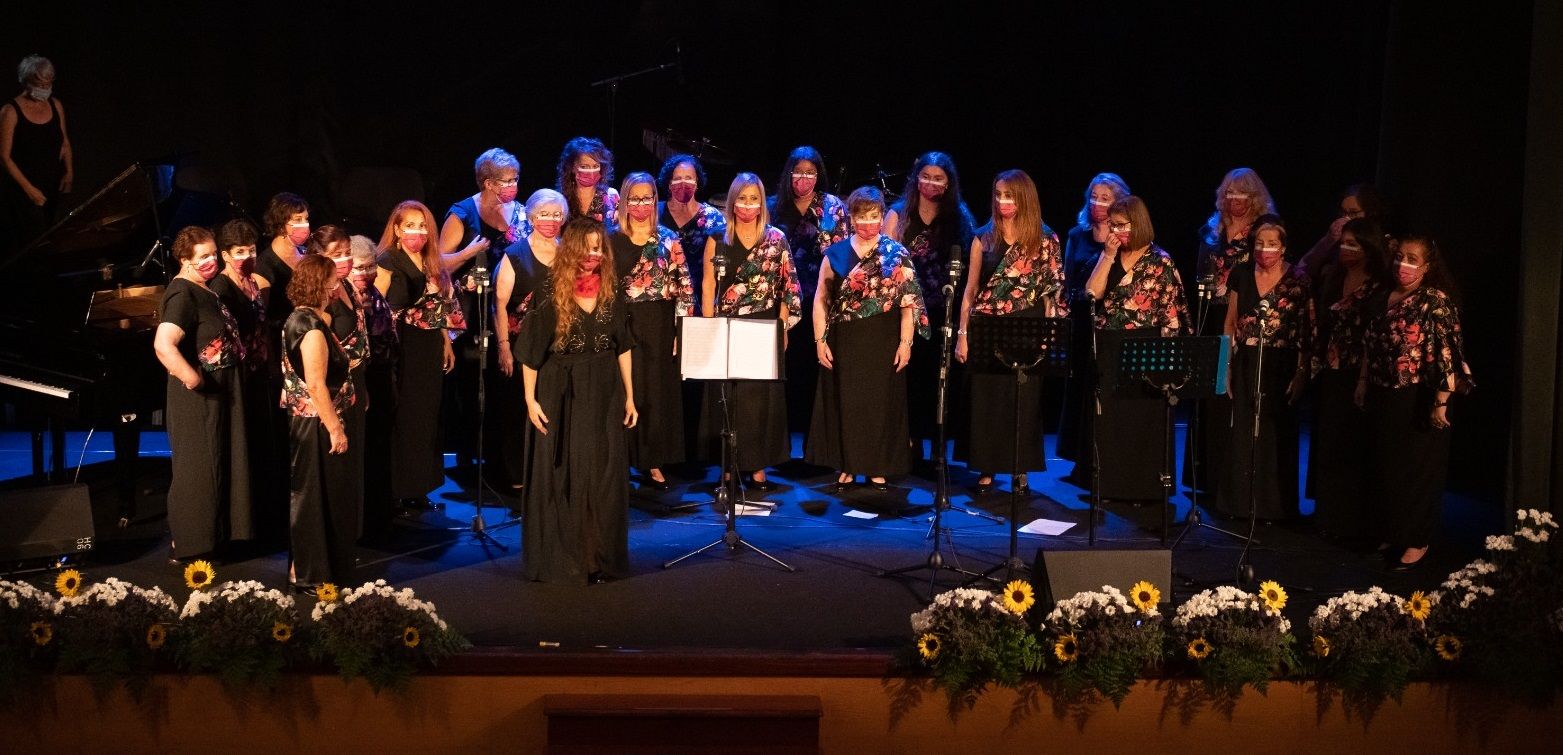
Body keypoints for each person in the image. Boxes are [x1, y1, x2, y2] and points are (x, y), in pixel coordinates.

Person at [516, 216, 637, 584]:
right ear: (571, 249)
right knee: (564, 473)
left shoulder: (611, 290)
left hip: (603, 389)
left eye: (598, 247)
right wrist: (530, 400)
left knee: (601, 474)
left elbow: (623, 346)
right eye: (585, 247)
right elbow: (530, 352)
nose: (591, 255)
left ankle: (598, 558)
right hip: (559, 390)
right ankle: (564, 560)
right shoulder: (550, 289)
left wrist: (630, 397)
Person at [1357, 236, 1473, 571]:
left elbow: (1448, 351)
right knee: (1387, 466)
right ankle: (1392, 531)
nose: (1402, 264)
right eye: (1398, 257)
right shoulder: (1384, 295)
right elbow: (1370, 344)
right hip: (1384, 391)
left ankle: (1417, 540)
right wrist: (1363, 382)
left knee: (1417, 470)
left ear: (1427, 266)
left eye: (1411, 259)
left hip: (1420, 396)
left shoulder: (1434, 300)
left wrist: (1441, 402)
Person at [806, 186, 928, 491]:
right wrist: (820, 340)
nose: (868, 223)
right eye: (861, 216)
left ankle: (877, 466)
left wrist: (906, 343)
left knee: (880, 405)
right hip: (845, 339)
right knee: (847, 403)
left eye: (874, 216)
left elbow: (908, 303)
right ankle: (848, 465)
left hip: (883, 339)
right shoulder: (834, 253)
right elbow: (821, 299)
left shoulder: (896, 254)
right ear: (851, 217)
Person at [954, 170, 1065, 494]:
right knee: (987, 400)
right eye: (999, 194)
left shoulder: (1045, 239)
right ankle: (986, 466)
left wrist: (1049, 336)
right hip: (988, 328)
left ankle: (1019, 467)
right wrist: (963, 335)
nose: (1003, 201)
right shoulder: (983, 238)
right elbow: (971, 291)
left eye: (1010, 196)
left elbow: (1052, 294)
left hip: (1027, 329)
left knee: (1022, 400)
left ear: (1025, 199)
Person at [152, 226, 251, 562]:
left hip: (219, 392)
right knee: (197, 468)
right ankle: (190, 543)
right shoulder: (182, 293)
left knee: (217, 463)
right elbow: (164, 345)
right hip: (198, 398)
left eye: (213, 254)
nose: (211, 261)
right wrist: (193, 379)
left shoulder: (202, 289)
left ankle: (214, 537)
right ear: (185, 260)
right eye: (203, 256)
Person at [700, 173, 803, 490]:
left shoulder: (776, 239)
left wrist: (782, 327)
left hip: (764, 324)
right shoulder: (718, 238)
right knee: (730, 398)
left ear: (762, 203)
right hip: (727, 326)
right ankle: (729, 467)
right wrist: (709, 327)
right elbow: (708, 287)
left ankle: (758, 466)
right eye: (742, 198)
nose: (747, 205)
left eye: (754, 199)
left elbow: (788, 287)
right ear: (732, 202)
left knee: (761, 400)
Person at [1083, 196, 1189, 501]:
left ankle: (1145, 487)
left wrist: (1169, 362)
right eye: (1111, 225)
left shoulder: (1160, 260)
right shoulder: (1110, 255)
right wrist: (1107, 255)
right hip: (1110, 344)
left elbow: (1171, 314)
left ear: (1138, 224)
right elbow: (1092, 291)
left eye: (1121, 225)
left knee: (1143, 418)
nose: (1115, 231)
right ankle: (1110, 486)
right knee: (1112, 418)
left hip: (1147, 344)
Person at [1213, 215, 1313, 522]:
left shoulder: (1298, 278)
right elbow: (1229, 323)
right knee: (1242, 429)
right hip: (1247, 359)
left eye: (1271, 244)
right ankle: (1238, 505)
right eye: (1259, 243)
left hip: (1281, 363)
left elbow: (1308, 331)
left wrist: (1300, 374)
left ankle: (1275, 508)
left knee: (1276, 432)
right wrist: (1224, 369)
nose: (1264, 250)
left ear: (1283, 247)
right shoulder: (1241, 273)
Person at [1188, 168, 1276, 495]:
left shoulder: (1261, 232)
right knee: (1209, 392)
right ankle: (1206, 475)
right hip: (1211, 315)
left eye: (1242, 193)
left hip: (1240, 314)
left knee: (1231, 390)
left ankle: (1232, 476)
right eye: (1229, 192)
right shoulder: (1212, 230)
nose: (1234, 199)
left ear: (1254, 198)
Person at [883, 151, 976, 460]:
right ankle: (911, 443)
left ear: (949, 183)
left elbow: (967, 269)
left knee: (941, 378)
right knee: (909, 380)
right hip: (906, 312)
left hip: (943, 312)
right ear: (916, 178)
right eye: (926, 176)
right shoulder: (898, 215)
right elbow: (885, 265)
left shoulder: (960, 218)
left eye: (939, 178)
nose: (931, 183)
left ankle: (938, 444)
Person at [375, 200, 464, 512]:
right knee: (407, 416)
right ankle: (396, 489)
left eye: (422, 225)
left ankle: (419, 486)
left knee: (428, 416)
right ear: (397, 229)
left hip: (428, 344)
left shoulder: (430, 259)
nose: (417, 231)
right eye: (410, 225)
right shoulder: (389, 260)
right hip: (404, 346)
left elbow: (436, 304)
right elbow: (377, 307)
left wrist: (445, 341)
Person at [1309, 219, 1391, 542]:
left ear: (1369, 249)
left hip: (1361, 373)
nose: (1345, 248)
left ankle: (1355, 523)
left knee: (1355, 447)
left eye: (1353, 244)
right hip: (1332, 369)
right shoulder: (1333, 275)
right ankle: (1329, 519)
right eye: (1343, 242)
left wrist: (1362, 380)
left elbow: (1374, 337)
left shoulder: (1379, 286)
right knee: (1330, 444)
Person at [279, 254, 356, 590]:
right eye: (333, 282)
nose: (337, 287)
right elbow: (314, 383)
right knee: (312, 496)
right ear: (321, 286)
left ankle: (316, 568)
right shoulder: (309, 328)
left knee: (321, 495)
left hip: (312, 422)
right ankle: (309, 572)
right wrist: (335, 428)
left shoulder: (307, 318)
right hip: (316, 426)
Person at [611, 172, 691, 489]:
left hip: (658, 321)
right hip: (623, 319)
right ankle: (621, 458)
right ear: (625, 202)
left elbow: (685, 288)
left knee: (655, 392)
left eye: (647, 198)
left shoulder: (668, 239)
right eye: (635, 198)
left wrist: (679, 331)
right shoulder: (611, 239)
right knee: (623, 389)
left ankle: (653, 461)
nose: (641, 204)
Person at [769, 146, 849, 434]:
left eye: (810, 173)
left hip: (820, 298)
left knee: (815, 369)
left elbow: (841, 253)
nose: (804, 179)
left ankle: (816, 442)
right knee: (784, 367)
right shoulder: (775, 205)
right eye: (798, 172)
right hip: (781, 300)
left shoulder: (831, 207)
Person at [1058, 173, 1131, 479]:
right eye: (1094, 196)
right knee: (1080, 387)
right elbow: (1067, 276)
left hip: (1110, 321)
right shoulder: (1077, 234)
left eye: (1105, 198)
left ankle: (1105, 457)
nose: (1098, 203)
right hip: (1080, 318)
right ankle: (1080, 458)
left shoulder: (1125, 238)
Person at [493, 189, 566, 493]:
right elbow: (499, 302)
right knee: (517, 410)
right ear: (532, 217)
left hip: (558, 347)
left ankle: (551, 467)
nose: (550, 220)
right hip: (520, 344)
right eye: (543, 214)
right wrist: (504, 347)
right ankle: (517, 471)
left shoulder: (568, 253)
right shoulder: (515, 254)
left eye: (556, 214)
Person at [208, 219, 277, 523]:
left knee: (262, 442)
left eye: (251, 249)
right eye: (239, 251)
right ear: (225, 254)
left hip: (258, 371)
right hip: (239, 375)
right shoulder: (221, 288)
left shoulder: (251, 281)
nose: (246, 256)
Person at [306, 226, 368, 536]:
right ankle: (330, 537)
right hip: (333, 390)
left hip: (355, 383)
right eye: (335, 255)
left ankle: (349, 534)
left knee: (353, 464)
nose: (343, 260)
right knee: (334, 465)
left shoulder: (346, 285)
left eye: (346, 253)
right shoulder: (320, 299)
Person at [347, 234, 400, 534]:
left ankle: (379, 512)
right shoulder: (343, 296)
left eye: (371, 267)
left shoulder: (374, 294)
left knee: (380, 445)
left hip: (380, 377)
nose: (368, 273)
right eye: (361, 267)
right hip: (359, 380)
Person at [0, 55, 73, 254]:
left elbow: (64, 141)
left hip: (51, 184)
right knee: (33, 242)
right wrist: (30, 190)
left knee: (54, 238)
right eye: (39, 83)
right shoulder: (10, 111)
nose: (44, 88)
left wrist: (69, 171)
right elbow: (4, 157)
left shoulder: (55, 105)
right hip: (24, 189)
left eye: (48, 83)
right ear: (27, 82)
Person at [657, 153, 726, 316]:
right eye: (677, 178)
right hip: (660, 303)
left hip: (700, 304)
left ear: (697, 183)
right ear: (669, 183)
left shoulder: (713, 217)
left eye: (689, 178)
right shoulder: (654, 213)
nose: (683, 183)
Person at [1297, 183, 1386, 279]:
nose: (1346, 218)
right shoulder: (1337, 237)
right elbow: (1302, 269)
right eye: (1344, 212)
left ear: (1370, 213)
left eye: (1353, 213)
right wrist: (1328, 239)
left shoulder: (1383, 243)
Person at [557, 136, 619, 227]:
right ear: (572, 167)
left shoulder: (611, 196)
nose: (591, 172)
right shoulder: (560, 199)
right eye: (584, 167)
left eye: (595, 166)